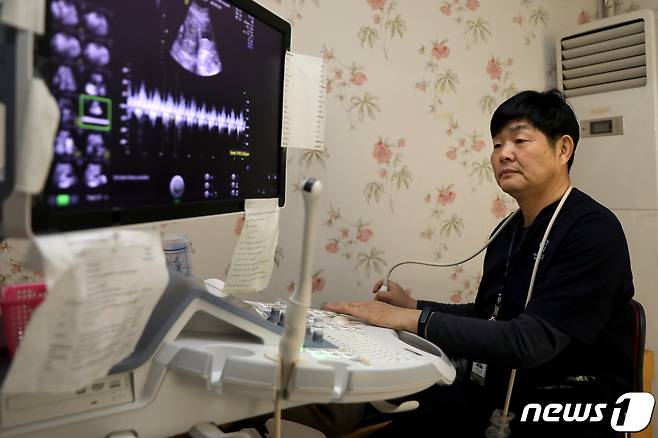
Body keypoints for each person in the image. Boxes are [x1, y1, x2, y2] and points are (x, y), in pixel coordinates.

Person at [324, 89, 635, 437]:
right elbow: (489, 314)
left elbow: (529, 342)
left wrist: (412, 319)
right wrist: (413, 306)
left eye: (519, 140)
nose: (504, 154)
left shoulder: (592, 230)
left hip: (566, 410)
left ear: (563, 149)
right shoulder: (508, 231)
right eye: (497, 144)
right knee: (356, 409)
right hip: (496, 394)